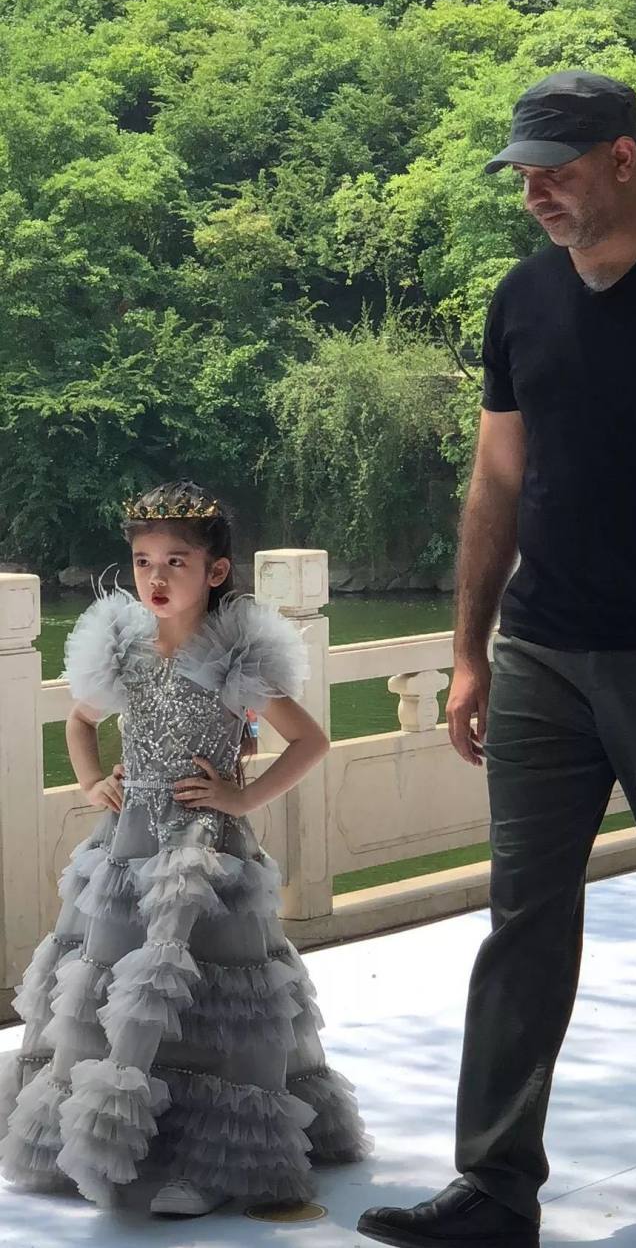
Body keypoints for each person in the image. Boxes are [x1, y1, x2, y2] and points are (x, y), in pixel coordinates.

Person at [358, 70, 636, 1248]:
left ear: (622, 156)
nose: (534, 194)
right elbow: (495, 480)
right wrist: (468, 651)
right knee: (521, 914)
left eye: (553, 171)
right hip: (541, 653)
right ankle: (493, 1181)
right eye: (521, 176)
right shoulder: (521, 298)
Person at [0, 479, 369, 1216]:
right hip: (128, 847)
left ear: (216, 571)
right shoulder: (127, 652)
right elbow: (78, 721)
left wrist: (242, 798)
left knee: (216, 999)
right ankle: (122, 1143)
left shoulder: (234, 660)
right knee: (115, 988)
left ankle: (208, 1164)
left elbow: (310, 741)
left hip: (209, 852)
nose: (157, 577)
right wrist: (91, 781)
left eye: (177, 561)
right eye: (143, 562)